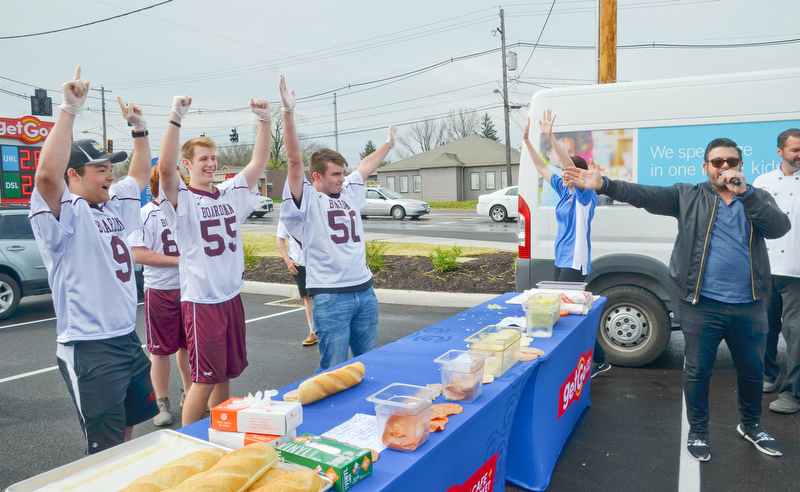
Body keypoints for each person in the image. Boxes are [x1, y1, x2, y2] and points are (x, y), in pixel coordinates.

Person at [564, 137, 790, 462]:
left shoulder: (756, 197)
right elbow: (644, 195)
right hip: (701, 304)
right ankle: (698, 430)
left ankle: (752, 425)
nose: (725, 167)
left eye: (731, 161)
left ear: (740, 166)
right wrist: (605, 184)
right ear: (706, 168)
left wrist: (747, 195)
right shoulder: (688, 195)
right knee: (699, 370)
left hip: (750, 305)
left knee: (752, 371)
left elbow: (779, 227)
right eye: (717, 162)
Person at [29, 67, 157, 453]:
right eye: (100, 169)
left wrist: (140, 130)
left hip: (126, 338)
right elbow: (46, 179)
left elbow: (138, 174)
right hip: (89, 347)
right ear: (74, 174)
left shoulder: (112, 205)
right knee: (103, 448)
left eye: (109, 168)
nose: (109, 175)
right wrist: (68, 109)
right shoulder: (65, 213)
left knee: (130, 429)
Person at [157, 91, 272, 426]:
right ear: (188, 165)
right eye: (202, 158)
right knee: (203, 379)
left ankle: (221, 434)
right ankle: (187, 440)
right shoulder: (184, 200)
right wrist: (176, 116)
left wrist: (265, 120)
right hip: (202, 301)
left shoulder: (229, 193)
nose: (209, 163)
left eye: (213, 157)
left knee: (225, 375)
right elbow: (165, 169)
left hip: (230, 297)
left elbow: (259, 162)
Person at [279, 76, 397, 373]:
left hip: (364, 290)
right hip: (330, 295)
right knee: (333, 367)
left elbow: (366, 166)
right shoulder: (306, 199)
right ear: (316, 176)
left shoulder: (349, 190)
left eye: (342, 173)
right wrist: (288, 113)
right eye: (335, 174)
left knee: (367, 362)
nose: (342, 178)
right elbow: (294, 161)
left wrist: (388, 144)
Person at [522, 111, 608, 377]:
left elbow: (566, 163)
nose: (564, 173)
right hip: (563, 259)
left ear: (578, 174)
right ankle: (595, 358)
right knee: (569, 310)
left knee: (569, 312)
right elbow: (541, 168)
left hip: (575, 260)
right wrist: (527, 140)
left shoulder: (585, 195)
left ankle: (596, 360)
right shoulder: (564, 188)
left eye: (569, 170)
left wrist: (550, 136)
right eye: (564, 171)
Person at [128, 165, 193, 426]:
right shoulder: (144, 214)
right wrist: (178, 261)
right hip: (161, 289)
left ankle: (190, 393)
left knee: (188, 346)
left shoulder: (186, 211)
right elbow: (138, 253)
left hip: (189, 288)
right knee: (160, 349)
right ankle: (161, 400)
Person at [752, 128, 800, 414]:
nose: (799, 154)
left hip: (798, 272)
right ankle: (768, 375)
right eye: (795, 149)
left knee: (796, 334)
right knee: (764, 329)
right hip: (766, 269)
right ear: (780, 152)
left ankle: (793, 393)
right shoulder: (763, 182)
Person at [276, 218, 317, 346]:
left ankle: (328, 330)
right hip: (299, 263)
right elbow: (280, 239)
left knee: (323, 295)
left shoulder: (314, 207)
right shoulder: (286, 215)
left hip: (318, 262)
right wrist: (288, 260)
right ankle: (313, 332)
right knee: (307, 297)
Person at [539, 131, 575, 207]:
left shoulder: (548, 169)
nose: (566, 155)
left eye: (570, 151)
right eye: (561, 152)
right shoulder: (560, 173)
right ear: (549, 154)